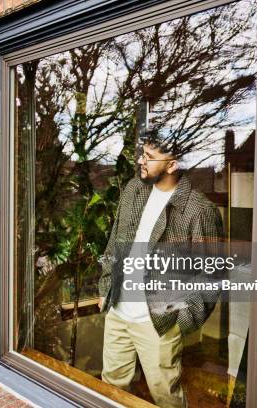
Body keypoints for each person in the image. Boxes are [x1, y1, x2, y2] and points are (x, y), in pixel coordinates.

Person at [98, 129, 224, 408]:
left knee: (165, 396)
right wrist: (107, 283)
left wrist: (181, 322)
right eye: (142, 154)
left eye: (150, 157)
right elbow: (115, 241)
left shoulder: (199, 211)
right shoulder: (134, 189)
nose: (142, 161)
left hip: (158, 322)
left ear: (172, 165)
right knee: (110, 390)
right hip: (119, 311)